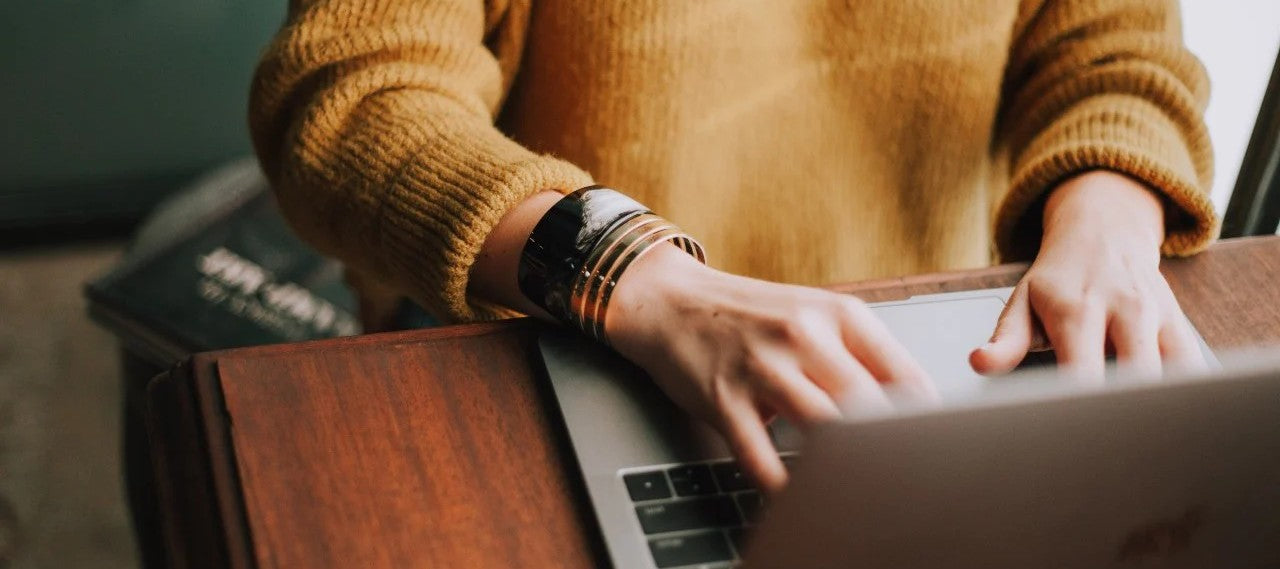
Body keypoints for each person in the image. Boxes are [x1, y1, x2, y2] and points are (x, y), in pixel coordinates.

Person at [249, 0, 1217, 491]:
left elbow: (1115, 48)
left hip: (920, 364)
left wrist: (1109, 209)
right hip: (551, 334)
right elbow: (349, 95)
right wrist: (630, 272)